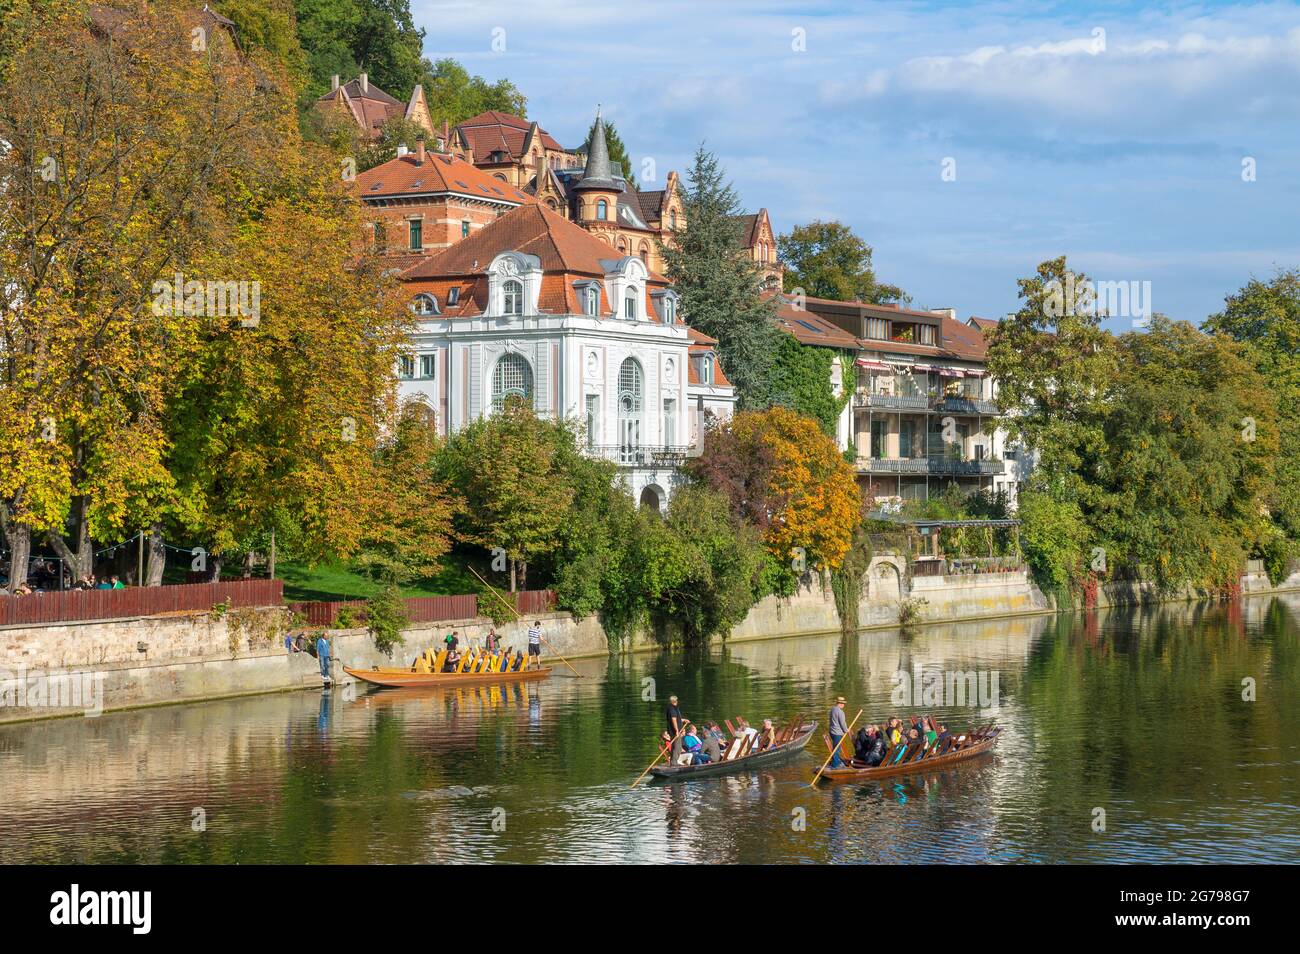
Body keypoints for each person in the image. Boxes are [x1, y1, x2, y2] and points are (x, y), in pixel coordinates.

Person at [828, 697, 849, 768]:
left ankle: (836, 761)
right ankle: (835, 764)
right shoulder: (840, 712)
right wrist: (846, 730)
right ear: (840, 703)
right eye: (843, 704)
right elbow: (842, 723)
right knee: (837, 749)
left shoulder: (832, 709)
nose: (844, 705)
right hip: (837, 733)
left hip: (832, 732)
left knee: (836, 747)